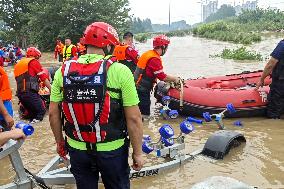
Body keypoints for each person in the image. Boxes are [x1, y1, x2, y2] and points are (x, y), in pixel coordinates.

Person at [49, 22, 144, 189]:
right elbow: (134, 118)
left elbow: (53, 114)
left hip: (77, 149)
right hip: (112, 150)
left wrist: (59, 142)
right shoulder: (120, 71)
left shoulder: (62, 71)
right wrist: (137, 153)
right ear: (107, 45)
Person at [134, 34, 181, 118]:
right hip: (142, 89)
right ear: (163, 47)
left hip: (138, 86)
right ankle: (144, 127)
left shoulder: (149, 53)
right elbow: (162, 77)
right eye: (166, 47)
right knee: (145, 114)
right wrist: (175, 79)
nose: (166, 49)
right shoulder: (154, 59)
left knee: (140, 110)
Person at [14, 47, 51, 124]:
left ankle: (30, 127)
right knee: (41, 111)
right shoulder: (33, 62)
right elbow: (43, 78)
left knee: (32, 114)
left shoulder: (20, 63)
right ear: (36, 56)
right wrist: (52, 89)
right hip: (29, 93)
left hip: (20, 94)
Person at [256, 40, 284, 119]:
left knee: (273, 112)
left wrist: (262, 79)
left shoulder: (282, 45)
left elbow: (271, 64)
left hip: (280, 83)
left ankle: (273, 127)